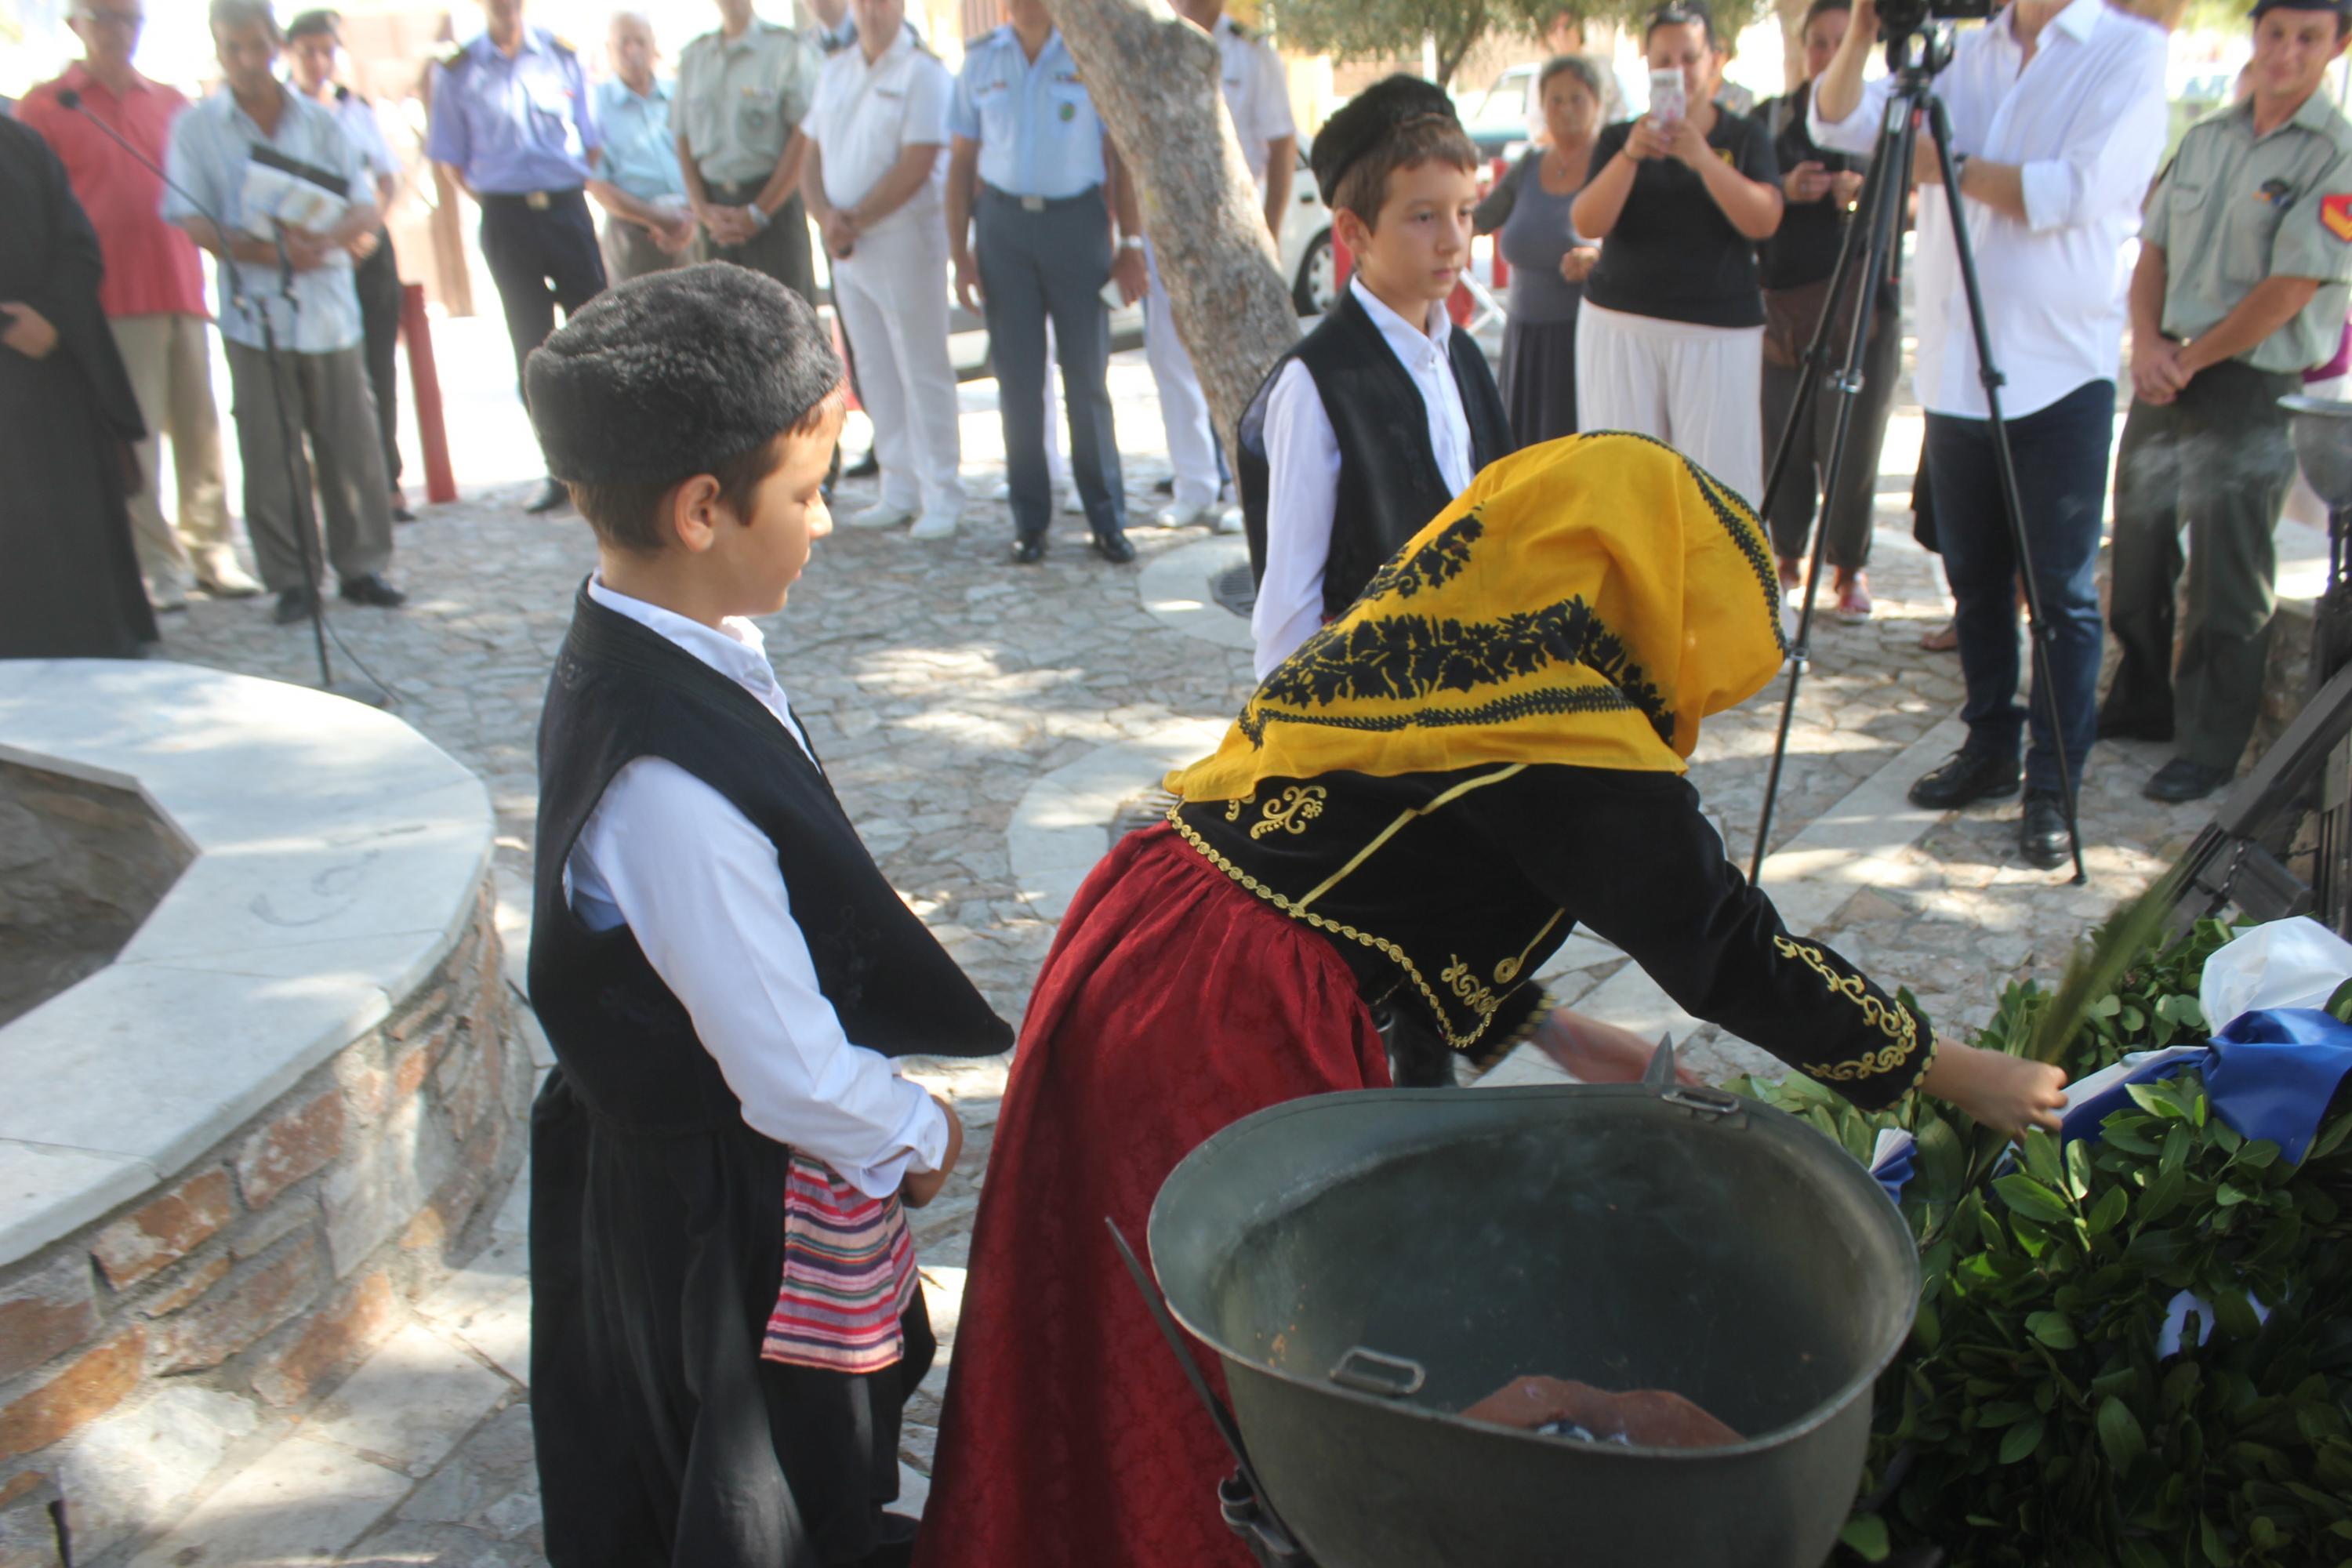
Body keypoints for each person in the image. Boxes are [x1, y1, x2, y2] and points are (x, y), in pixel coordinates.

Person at [914, 434, 2071, 1568]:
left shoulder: (1445, 625)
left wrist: (1558, 1032)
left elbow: (1393, 875)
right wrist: (1961, 1071)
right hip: (1225, 1017)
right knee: (1234, 1368)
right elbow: (1728, 950)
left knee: (1096, 1312)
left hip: (1146, 931)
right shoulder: (1558, 722)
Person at [521, 263, 1011, 1568]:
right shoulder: (666, 785)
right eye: (806, 494)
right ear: (700, 510)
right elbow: (785, 1071)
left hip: (688, 1159)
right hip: (715, 1210)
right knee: (768, 1491)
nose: (825, 523)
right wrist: (915, 1129)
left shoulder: (668, 641)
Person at [1813, 0, 2166, 868]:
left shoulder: (2129, 51)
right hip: (1957, 371)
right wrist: (1862, 28)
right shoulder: (1960, 54)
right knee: (1973, 582)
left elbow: (2072, 191)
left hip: (2060, 372)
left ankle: (2053, 783)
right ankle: (1990, 744)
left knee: (2060, 596)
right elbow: (1838, 122)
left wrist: (1944, 163)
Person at [2099, 0, 2352, 804]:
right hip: (2167, 365)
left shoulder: (2338, 155)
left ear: (2338, 45)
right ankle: (2143, 698)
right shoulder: (2206, 137)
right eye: (2274, 33)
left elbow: (2291, 289)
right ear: (2256, 35)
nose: (2286, 52)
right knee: (2139, 544)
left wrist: (2188, 358)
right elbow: (2152, 251)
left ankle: (2210, 742)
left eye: (2308, 38)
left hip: (2251, 381)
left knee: (2228, 570)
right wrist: (2149, 344)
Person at [1242, 77, 1512, 679]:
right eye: (1424, 217)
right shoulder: (1318, 385)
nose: (1453, 240)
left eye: (1465, 213)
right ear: (1354, 231)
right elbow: (1290, 606)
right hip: (1377, 706)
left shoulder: (1465, 359)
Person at [165, 0, 405, 626]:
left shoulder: (322, 121)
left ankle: (363, 566)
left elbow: (364, 203)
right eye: (233, 49)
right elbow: (191, 219)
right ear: (218, 50)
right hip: (255, 311)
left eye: (256, 45)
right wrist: (263, 251)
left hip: (328, 305)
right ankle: (293, 579)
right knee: (270, 450)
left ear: (275, 44)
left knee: (351, 442)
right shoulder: (197, 128)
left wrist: (325, 239)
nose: (247, 60)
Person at [17, 0, 261, 611]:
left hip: (180, 283)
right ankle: (158, 563)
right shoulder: (48, 105)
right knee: (139, 435)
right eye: (103, 17)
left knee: (200, 427)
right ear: (75, 24)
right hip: (113, 295)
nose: (117, 30)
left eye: (129, 18)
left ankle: (213, 550)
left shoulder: (171, 102)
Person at [947, 0, 1144, 565]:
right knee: (1018, 382)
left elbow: (1123, 155)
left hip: (1077, 225)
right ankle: (1030, 522)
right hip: (1003, 228)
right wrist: (960, 254)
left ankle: (1106, 518)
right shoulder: (981, 61)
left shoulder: (1088, 52)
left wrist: (1131, 244)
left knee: (1087, 377)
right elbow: (961, 163)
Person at [1570, 0, 1784, 507]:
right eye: (1664, 60)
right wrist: (1631, 156)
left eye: (1689, 58)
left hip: (1717, 330)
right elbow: (1587, 222)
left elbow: (1764, 221)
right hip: (1621, 322)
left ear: (1715, 61)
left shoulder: (1745, 136)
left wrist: (1702, 158)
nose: (1678, 71)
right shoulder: (1621, 138)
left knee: (1720, 490)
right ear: (1647, 66)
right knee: (1621, 485)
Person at [426, 0, 607, 515]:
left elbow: (591, 142)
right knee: (531, 343)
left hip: (566, 209)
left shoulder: (561, 56)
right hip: (506, 218)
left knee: (596, 333)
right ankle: (560, 469)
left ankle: (607, 460)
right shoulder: (458, 70)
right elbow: (452, 161)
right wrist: (500, 200)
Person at [800, 0, 963, 540]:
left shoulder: (923, 72)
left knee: (922, 367)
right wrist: (826, 218)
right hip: (847, 245)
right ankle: (899, 485)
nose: (873, 11)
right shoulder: (835, 69)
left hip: (903, 240)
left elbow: (918, 162)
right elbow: (809, 155)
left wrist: (855, 220)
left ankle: (942, 491)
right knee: (873, 366)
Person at [0, 113, 158, 659]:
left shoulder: (20, 142)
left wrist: (51, 316)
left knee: (72, 521)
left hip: (52, 368)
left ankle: (96, 647)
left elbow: (79, 247)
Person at [1756, 0, 1892, 623]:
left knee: (1851, 445)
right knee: (1784, 437)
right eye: (1819, 43)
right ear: (1802, 46)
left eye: (1843, 42)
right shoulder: (1772, 119)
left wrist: (1862, 195)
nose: (1829, 55)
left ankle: (1848, 566)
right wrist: (1785, 191)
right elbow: (1748, 201)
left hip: (1861, 309)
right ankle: (1786, 557)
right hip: (1784, 309)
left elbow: (1916, 203)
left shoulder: (1886, 119)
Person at [1146, 0, 1295, 532]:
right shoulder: (1152, 43)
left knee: (1239, 364)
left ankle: (1243, 487)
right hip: (1169, 224)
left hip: (1233, 224)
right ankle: (1193, 483)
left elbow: (1282, 145)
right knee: (1170, 358)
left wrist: (1268, 230)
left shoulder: (1252, 54)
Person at [285, 8, 415, 524]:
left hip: (367, 249)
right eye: (308, 52)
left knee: (379, 368)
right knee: (324, 374)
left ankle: (387, 481)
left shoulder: (354, 109)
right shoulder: (282, 113)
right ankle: (337, 486)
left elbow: (386, 178)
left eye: (327, 51)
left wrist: (368, 228)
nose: (319, 62)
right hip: (312, 256)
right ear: (289, 53)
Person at [1474, 53, 1604, 445]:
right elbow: (1478, 220)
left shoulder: (1611, 164)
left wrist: (1599, 260)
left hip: (1581, 341)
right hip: (1524, 341)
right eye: (1555, 100)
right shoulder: (1529, 165)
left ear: (1596, 102)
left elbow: (1640, 243)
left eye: (1576, 98)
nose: (1565, 110)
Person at [674, 0, 821, 301]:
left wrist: (760, 211)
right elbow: (682, 137)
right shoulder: (694, 58)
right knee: (719, 321)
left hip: (774, 210)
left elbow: (804, 137)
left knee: (787, 319)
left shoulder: (785, 49)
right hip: (715, 216)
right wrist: (702, 209)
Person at [588, 11, 699, 284]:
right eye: (623, 43)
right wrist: (658, 220)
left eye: (640, 42)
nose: (633, 51)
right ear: (609, 50)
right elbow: (597, 184)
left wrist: (692, 219)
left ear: (653, 45)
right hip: (635, 237)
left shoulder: (679, 96)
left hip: (692, 228)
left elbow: (705, 162)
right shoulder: (595, 105)